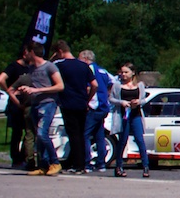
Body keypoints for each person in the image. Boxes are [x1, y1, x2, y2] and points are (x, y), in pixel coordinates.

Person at [12, 42, 63, 176]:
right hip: (35, 104)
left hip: (48, 103)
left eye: (27, 52)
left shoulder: (49, 67)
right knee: (37, 136)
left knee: (42, 133)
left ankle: (55, 162)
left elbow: (60, 86)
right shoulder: (31, 69)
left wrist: (37, 90)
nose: (25, 55)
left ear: (32, 52)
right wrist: (23, 90)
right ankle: (43, 165)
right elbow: (32, 85)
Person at [50, 40, 95, 174]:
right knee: (81, 134)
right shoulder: (83, 65)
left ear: (59, 52)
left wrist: (53, 58)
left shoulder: (59, 66)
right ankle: (80, 162)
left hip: (68, 103)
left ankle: (78, 165)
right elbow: (95, 85)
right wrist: (88, 99)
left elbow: (50, 70)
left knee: (73, 135)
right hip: (82, 103)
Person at [111, 62, 149, 177]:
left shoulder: (139, 85)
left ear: (132, 73)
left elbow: (144, 99)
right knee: (122, 141)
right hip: (123, 115)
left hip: (135, 114)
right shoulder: (117, 85)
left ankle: (146, 166)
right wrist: (121, 102)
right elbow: (111, 99)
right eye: (122, 72)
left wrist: (138, 102)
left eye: (126, 72)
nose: (123, 75)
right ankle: (119, 166)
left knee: (139, 139)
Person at [0, 49, 32, 170]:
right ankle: (16, 158)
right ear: (25, 53)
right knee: (17, 132)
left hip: (27, 102)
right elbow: (0, 79)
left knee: (28, 132)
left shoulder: (31, 67)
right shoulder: (14, 66)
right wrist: (9, 92)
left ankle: (23, 156)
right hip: (16, 102)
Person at [80, 50, 113, 174]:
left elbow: (91, 86)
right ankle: (101, 163)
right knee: (99, 135)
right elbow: (114, 82)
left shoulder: (88, 70)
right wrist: (107, 95)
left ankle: (87, 163)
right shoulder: (103, 71)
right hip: (104, 107)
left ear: (85, 59)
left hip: (94, 106)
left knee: (86, 135)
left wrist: (88, 100)